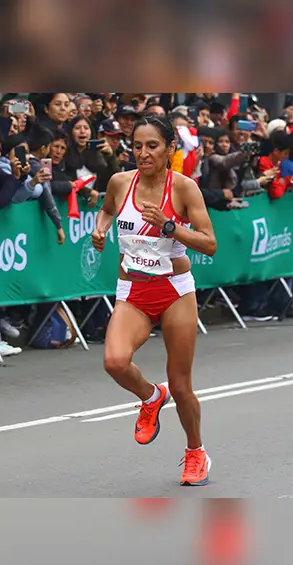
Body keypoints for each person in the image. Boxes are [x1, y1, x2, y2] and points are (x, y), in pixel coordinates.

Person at [91, 114, 218, 486]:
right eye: (137, 146)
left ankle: (196, 451)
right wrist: (100, 229)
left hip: (174, 289)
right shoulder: (119, 182)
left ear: (169, 149)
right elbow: (106, 210)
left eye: (152, 146)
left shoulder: (184, 189)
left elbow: (209, 243)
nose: (143, 153)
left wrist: (168, 225)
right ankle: (150, 397)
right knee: (114, 362)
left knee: (181, 386)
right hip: (133, 290)